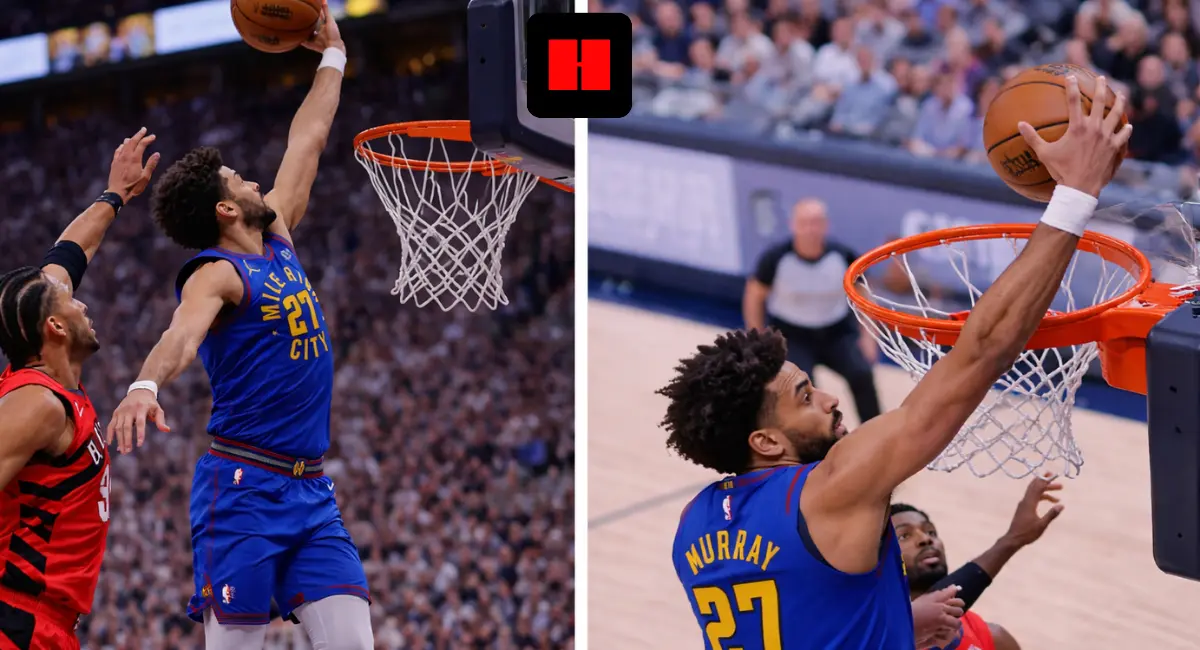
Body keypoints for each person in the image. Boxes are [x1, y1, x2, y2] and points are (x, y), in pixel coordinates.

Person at [663, 74, 1130, 649]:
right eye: (805, 398)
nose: (829, 398)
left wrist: (899, 623)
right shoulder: (831, 488)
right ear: (765, 441)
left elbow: (801, 618)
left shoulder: (692, 525)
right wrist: (1076, 192)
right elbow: (982, 350)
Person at [105, 7, 372, 649]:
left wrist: (332, 55)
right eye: (238, 178)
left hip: (311, 491)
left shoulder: (277, 238)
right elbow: (181, 335)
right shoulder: (217, 273)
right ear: (227, 208)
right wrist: (145, 385)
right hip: (243, 489)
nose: (253, 179)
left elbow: (308, 140)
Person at [0, 128, 159, 650]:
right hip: (18, 620)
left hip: (47, 623)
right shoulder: (36, 403)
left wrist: (115, 195)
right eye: (69, 301)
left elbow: (71, 252)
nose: (81, 301)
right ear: (55, 328)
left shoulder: (49, 384)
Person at [743, 198, 881, 424]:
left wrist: (869, 337)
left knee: (862, 373)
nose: (810, 229)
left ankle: (875, 428)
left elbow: (865, 295)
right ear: (793, 225)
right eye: (804, 223)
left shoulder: (843, 256)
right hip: (792, 335)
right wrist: (757, 337)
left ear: (826, 225)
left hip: (837, 332)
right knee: (804, 389)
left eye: (816, 222)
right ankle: (820, 436)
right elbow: (754, 295)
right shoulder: (775, 258)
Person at [892, 474, 1065, 650]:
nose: (926, 539)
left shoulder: (995, 639)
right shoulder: (878, 631)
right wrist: (1012, 539)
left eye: (931, 532)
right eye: (904, 535)